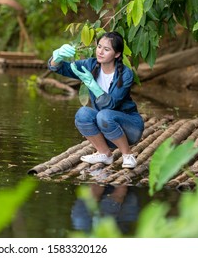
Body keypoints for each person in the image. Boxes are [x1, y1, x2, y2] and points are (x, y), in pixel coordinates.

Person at [48, 31, 144, 168]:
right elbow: (62, 68)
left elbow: (111, 104)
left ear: (117, 54)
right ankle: (104, 153)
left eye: (106, 49)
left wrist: (93, 85)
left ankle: (127, 155)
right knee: (82, 114)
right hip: (107, 130)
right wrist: (57, 57)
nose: (100, 52)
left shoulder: (126, 74)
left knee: (104, 115)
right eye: (99, 47)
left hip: (130, 128)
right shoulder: (91, 65)